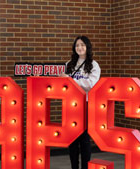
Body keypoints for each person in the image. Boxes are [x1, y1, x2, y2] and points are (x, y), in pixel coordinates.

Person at [59, 36, 101, 169]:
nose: (80, 48)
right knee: (72, 139)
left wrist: (70, 80)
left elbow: (90, 84)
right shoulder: (68, 64)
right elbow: (63, 85)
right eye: (77, 45)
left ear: (87, 47)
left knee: (84, 139)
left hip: (86, 105)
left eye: (82, 45)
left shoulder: (94, 65)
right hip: (70, 105)